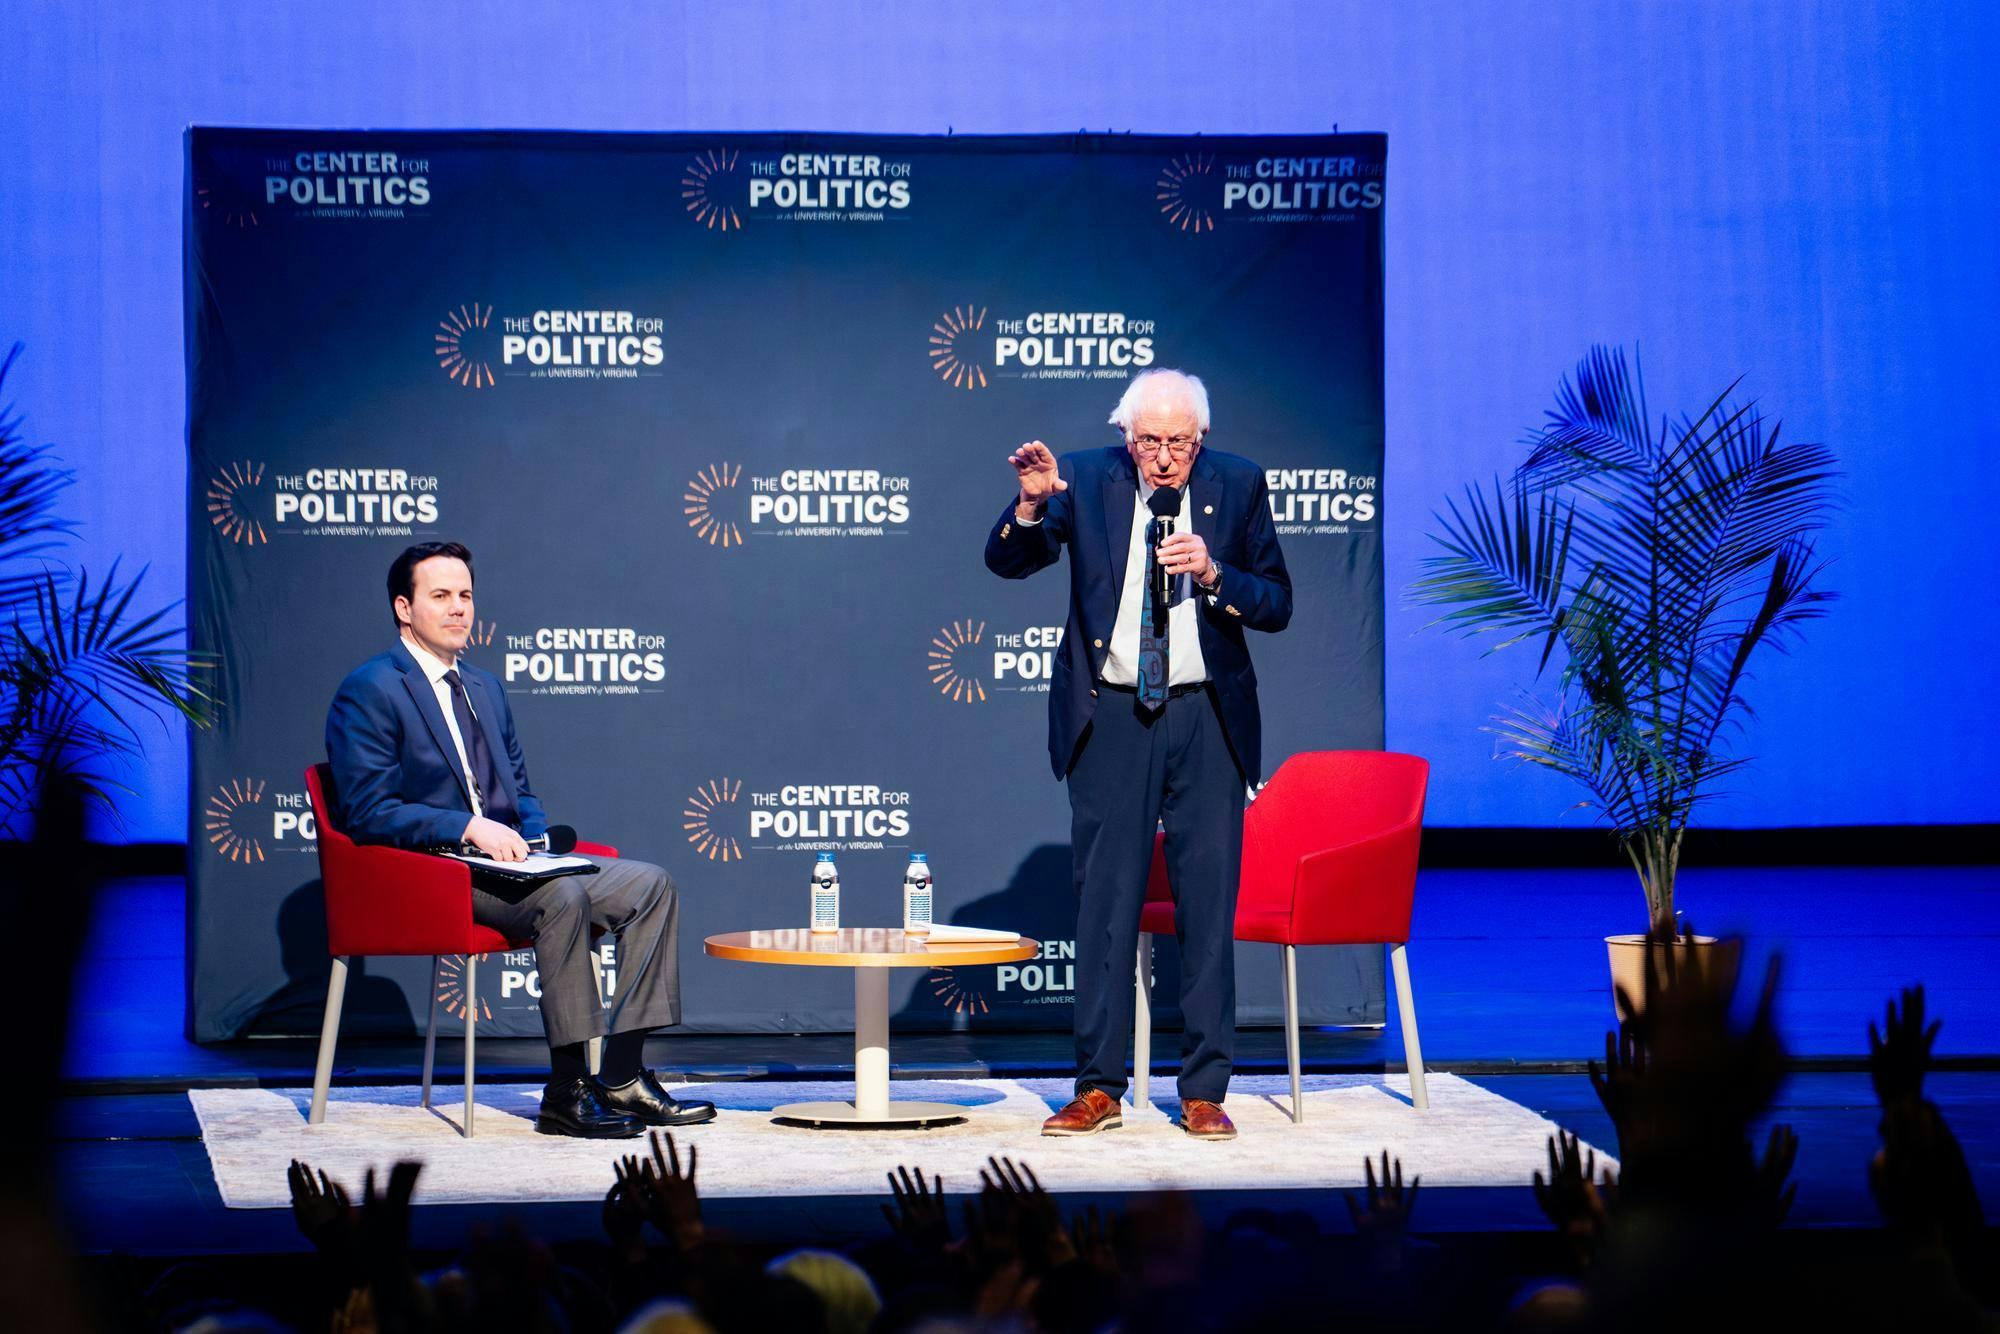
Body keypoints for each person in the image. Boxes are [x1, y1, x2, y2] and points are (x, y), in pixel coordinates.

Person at [985, 369, 1291, 1140]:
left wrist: (1214, 574)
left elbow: (1277, 602)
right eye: (1150, 440)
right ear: (1126, 436)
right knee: (1106, 906)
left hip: (1206, 715)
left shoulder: (1238, 485)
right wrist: (1030, 506)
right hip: (1115, 714)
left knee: (1207, 906)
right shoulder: (1085, 479)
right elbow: (1009, 562)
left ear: (1201, 438)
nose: (1163, 457)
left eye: (1179, 442)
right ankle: (1098, 1088)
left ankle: (1204, 1089)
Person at [325, 541, 714, 1138]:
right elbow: (368, 811)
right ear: (404, 608)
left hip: (512, 864)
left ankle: (622, 1074)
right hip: (436, 873)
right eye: (440, 596)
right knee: (563, 898)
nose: (458, 608)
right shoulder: (372, 688)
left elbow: (519, 789)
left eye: (465, 595)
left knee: (649, 886)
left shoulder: (484, 687)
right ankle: (566, 1091)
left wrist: (535, 842)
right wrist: (466, 826)